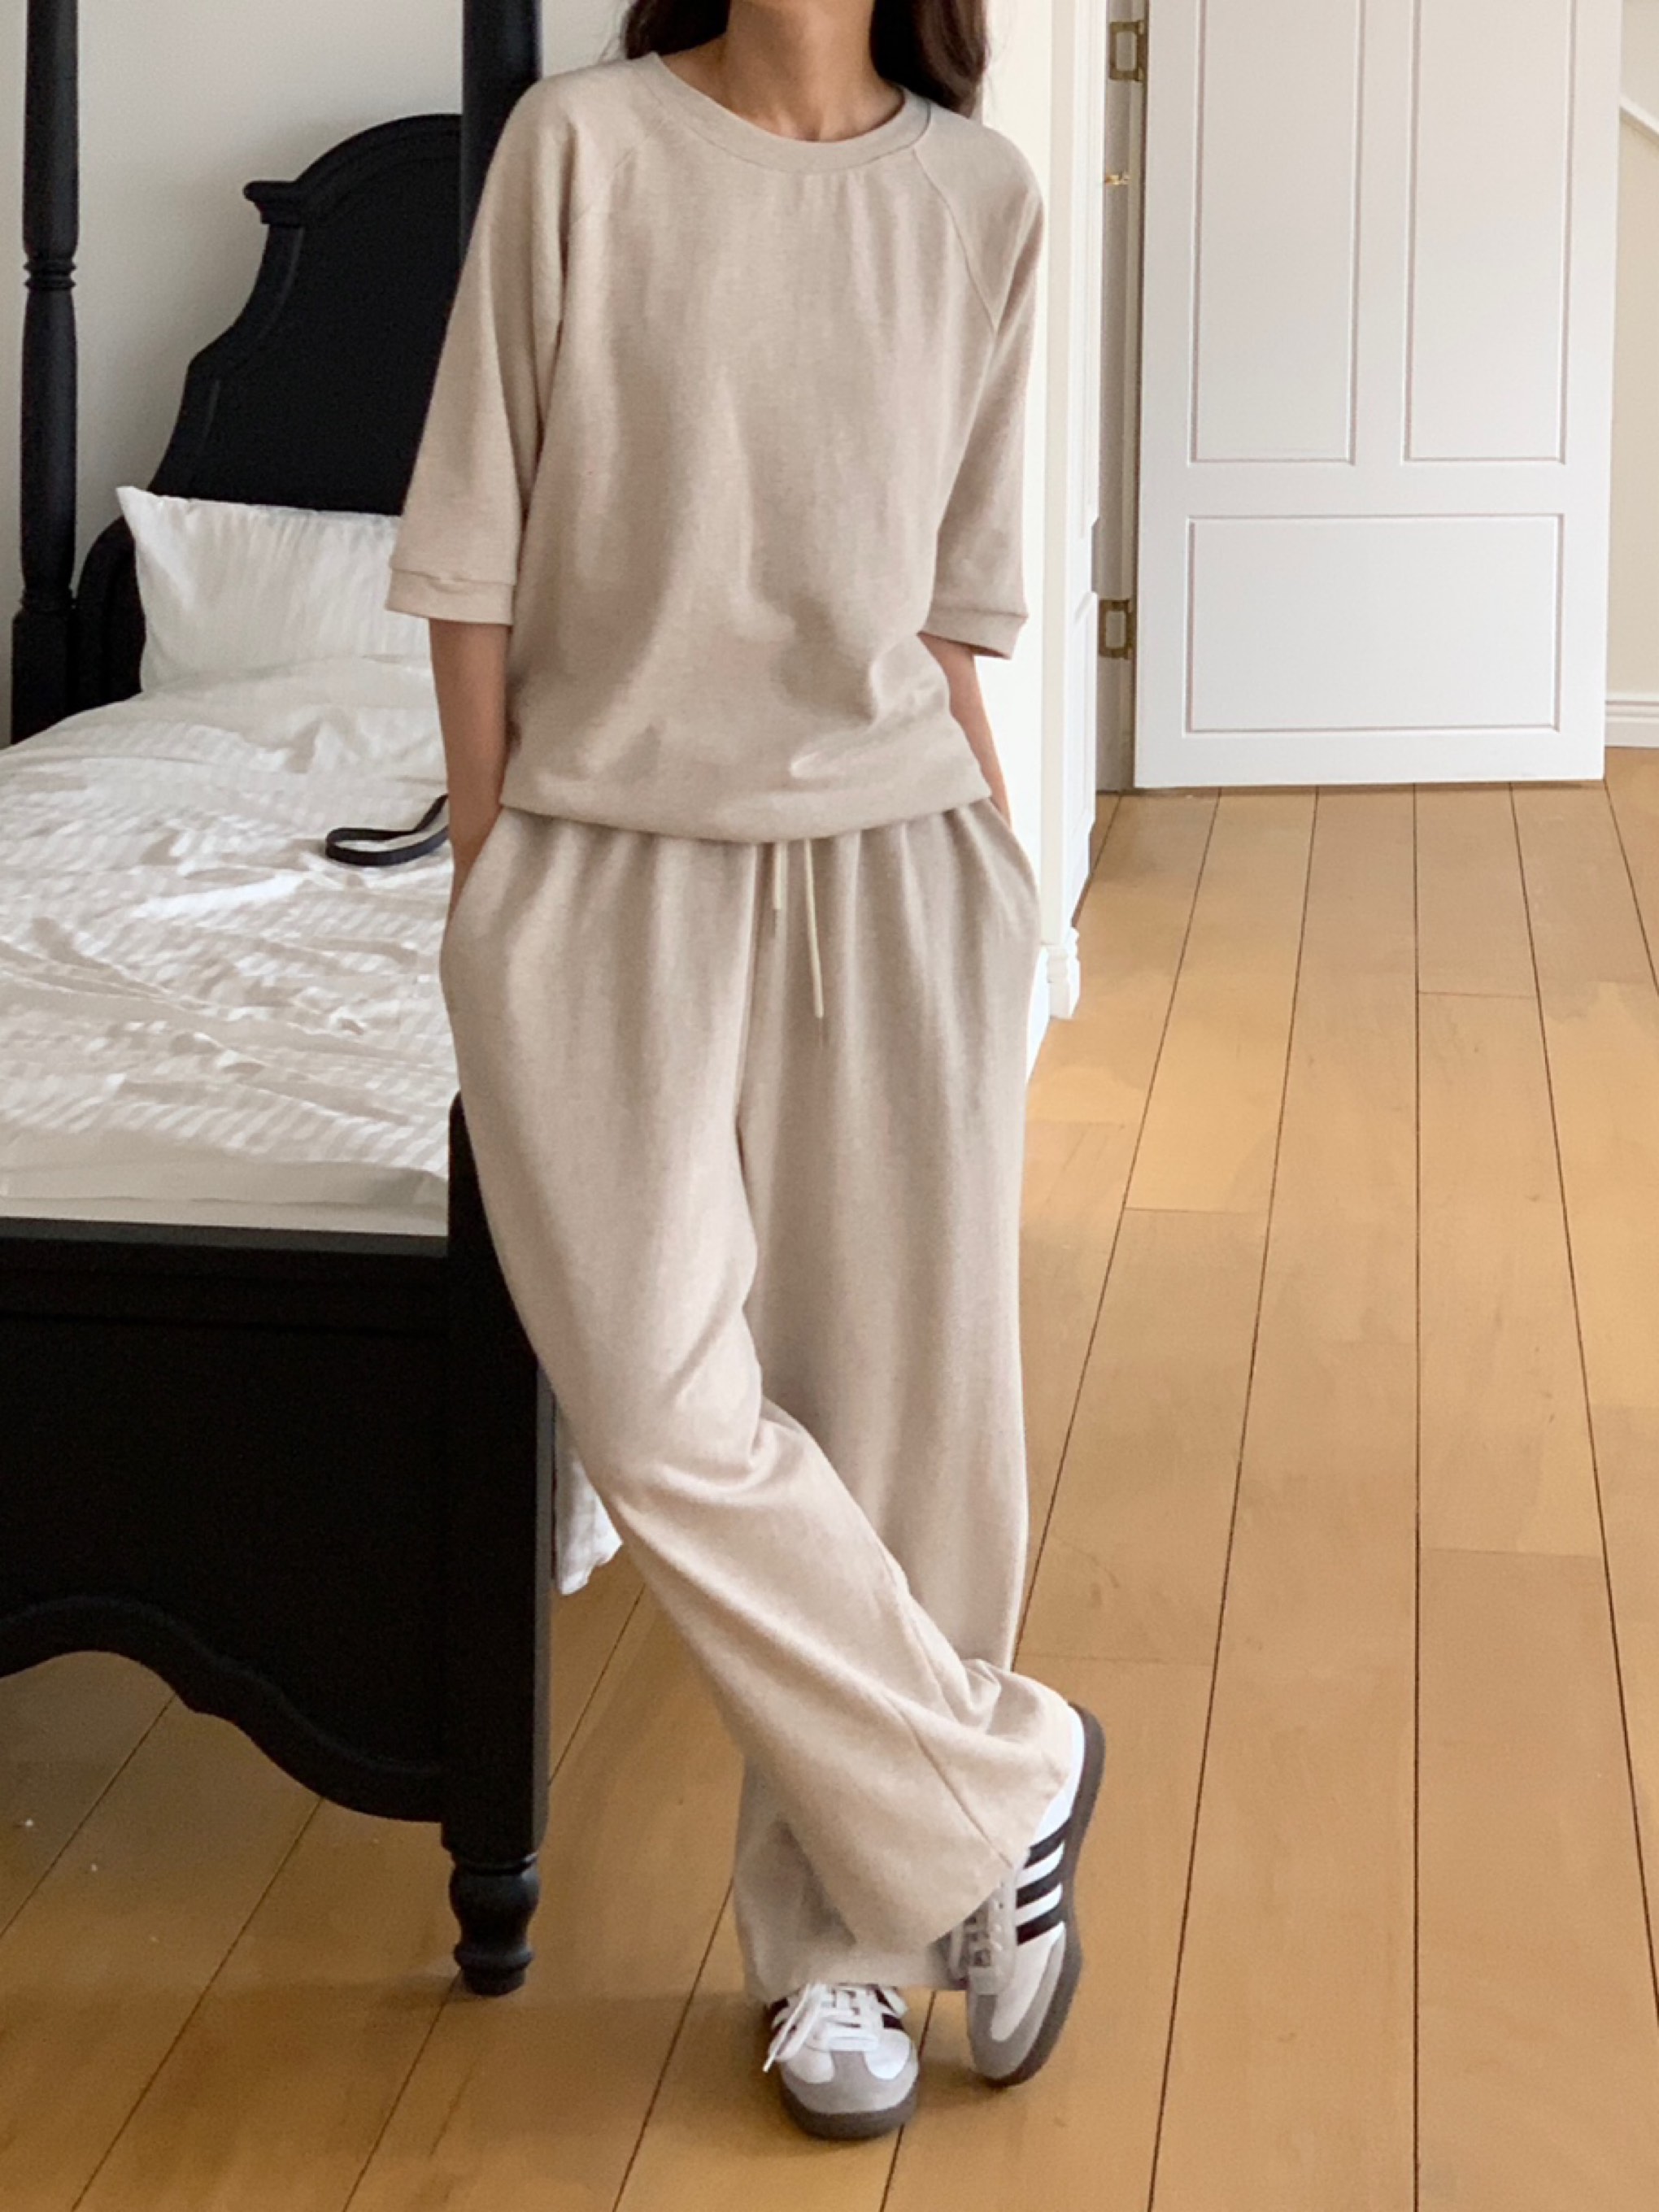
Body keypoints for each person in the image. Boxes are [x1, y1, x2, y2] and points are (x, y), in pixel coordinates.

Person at [384, 0, 1106, 2142]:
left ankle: (847, 1953)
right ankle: (1005, 1793)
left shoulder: (982, 197)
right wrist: (494, 876)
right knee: (659, 1411)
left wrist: (1008, 913)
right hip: (602, 872)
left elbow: (950, 620)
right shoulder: (578, 149)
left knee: (907, 1425)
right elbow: (470, 551)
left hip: (899, 867)